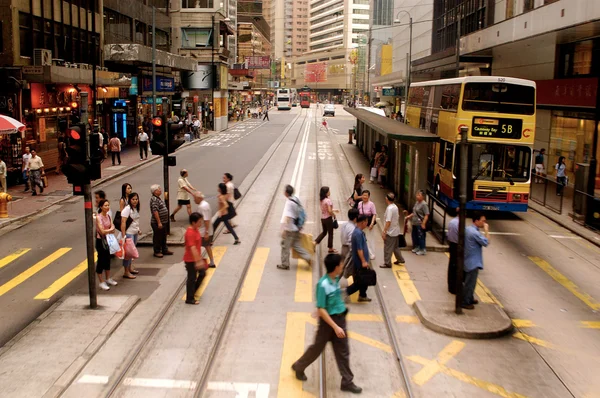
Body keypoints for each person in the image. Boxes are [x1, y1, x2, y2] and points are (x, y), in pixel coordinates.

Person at [291, 253, 362, 395]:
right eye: (341, 264)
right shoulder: (322, 284)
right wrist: (334, 326)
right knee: (317, 349)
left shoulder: (335, 279)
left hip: (339, 319)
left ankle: (347, 381)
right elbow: (321, 308)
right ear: (335, 267)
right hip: (328, 324)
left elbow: (329, 302)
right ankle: (299, 367)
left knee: (343, 351)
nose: (343, 266)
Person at [277, 184, 312, 270]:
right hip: (297, 228)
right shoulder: (295, 199)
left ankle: (285, 264)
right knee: (297, 245)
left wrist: (285, 230)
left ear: (286, 193)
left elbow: (289, 218)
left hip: (291, 229)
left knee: (285, 246)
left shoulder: (289, 203)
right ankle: (307, 257)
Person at [462, 212, 490, 309]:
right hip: (472, 262)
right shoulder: (474, 233)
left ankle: (469, 298)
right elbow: (486, 242)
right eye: (483, 221)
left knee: (469, 282)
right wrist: (486, 230)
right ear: (476, 221)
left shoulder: (469, 229)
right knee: (470, 283)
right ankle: (466, 301)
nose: (484, 223)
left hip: (468, 260)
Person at [346, 215, 372, 302]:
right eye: (366, 221)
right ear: (362, 222)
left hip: (361, 261)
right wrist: (363, 261)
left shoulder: (360, 232)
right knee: (359, 283)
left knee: (365, 279)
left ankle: (362, 295)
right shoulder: (357, 233)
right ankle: (340, 294)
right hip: (359, 262)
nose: (367, 223)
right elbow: (359, 249)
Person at [184, 212, 207, 305]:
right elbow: (193, 248)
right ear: (193, 222)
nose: (201, 224)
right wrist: (198, 261)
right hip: (191, 260)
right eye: (199, 222)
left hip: (196, 258)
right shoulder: (190, 233)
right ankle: (189, 298)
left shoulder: (195, 229)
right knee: (192, 278)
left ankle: (192, 292)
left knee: (202, 274)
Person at [96, 199, 117, 291]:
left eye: (108, 205)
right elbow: (102, 231)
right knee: (101, 260)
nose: (107, 207)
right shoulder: (98, 217)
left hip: (108, 240)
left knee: (108, 259)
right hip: (101, 241)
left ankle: (108, 278)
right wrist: (109, 230)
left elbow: (113, 228)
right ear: (101, 207)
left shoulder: (108, 216)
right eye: (105, 205)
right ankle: (101, 281)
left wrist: (108, 230)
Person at [380, 192, 405, 268]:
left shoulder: (390, 209)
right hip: (396, 231)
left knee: (387, 247)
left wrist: (384, 231)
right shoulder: (395, 207)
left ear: (387, 199)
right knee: (395, 247)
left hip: (390, 232)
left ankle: (387, 263)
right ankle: (400, 259)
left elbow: (388, 221)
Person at [121, 192, 141, 279]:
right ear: (129, 200)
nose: (135, 201)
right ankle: (126, 271)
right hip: (129, 233)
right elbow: (123, 222)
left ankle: (129, 268)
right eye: (133, 199)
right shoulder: (127, 209)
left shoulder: (135, 209)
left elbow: (135, 221)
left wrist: (138, 229)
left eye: (136, 199)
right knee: (128, 254)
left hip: (135, 232)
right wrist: (123, 235)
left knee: (131, 252)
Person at [150, 184, 173, 258]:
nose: (160, 190)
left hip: (164, 221)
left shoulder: (158, 198)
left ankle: (164, 249)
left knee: (163, 236)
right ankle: (157, 251)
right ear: (154, 191)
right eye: (158, 189)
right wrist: (159, 222)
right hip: (157, 222)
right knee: (157, 237)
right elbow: (155, 211)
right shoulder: (154, 199)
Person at [314, 186, 339, 254]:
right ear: (326, 193)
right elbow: (329, 211)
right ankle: (330, 248)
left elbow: (326, 210)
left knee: (324, 232)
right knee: (330, 233)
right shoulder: (328, 200)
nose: (329, 192)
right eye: (328, 191)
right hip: (328, 219)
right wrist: (333, 214)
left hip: (323, 219)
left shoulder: (322, 200)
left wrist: (334, 210)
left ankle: (314, 243)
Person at [404, 190, 429, 255]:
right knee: (414, 235)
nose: (417, 196)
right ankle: (417, 247)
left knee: (420, 236)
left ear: (423, 196)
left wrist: (423, 223)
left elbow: (426, 215)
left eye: (419, 195)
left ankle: (422, 249)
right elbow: (414, 212)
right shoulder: (417, 203)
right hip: (414, 222)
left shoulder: (424, 204)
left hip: (420, 223)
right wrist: (409, 216)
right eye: (417, 195)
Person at [195, 191, 216, 268]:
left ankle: (198, 262)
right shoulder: (205, 204)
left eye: (195, 198)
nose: (194, 200)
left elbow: (206, 220)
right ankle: (212, 262)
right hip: (206, 230)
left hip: (203, 232)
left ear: (199, 198)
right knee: (207, 246)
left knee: (196, 246)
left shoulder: (202, 207)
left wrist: (206, 232)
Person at [357, 190, 377, 260]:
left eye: (366, 195)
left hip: (368, 224)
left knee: (370, 239)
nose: (364, 197)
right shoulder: (359, 203)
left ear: (369, 196)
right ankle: (364, 253)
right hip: (361, 225)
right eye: (363, 195)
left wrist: (371, 223)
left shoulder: (371, 204)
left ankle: (371, 254)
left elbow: (374, 214)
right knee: (362, 239)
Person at [340, 208, 359, 278]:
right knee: (348, 267)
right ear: (355, 217)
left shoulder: (345, 224)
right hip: (348, 249)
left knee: (342, 266)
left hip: (343, 247)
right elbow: (351, 241)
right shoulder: (352, 228)